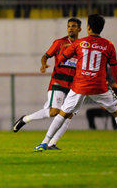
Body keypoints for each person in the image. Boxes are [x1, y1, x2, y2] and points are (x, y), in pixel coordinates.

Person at [34, 14, 117, 153]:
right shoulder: (109, 45)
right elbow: (115, 69)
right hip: (99, 87)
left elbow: (61, 58)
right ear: (101, 28)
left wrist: (64, 52)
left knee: (63, 113)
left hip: (79, 86)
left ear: (88, 27)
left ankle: (44, 143)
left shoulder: (79, 43)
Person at [13, 18, 82, 150]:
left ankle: (52, 143)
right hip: (57, 81)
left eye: (73, 26)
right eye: (68, 26)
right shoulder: (59, 42)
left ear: (79, 29)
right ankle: (25, 119)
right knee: (54, 112)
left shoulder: (81, 45)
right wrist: (43, 64)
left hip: (72, 84)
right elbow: (45, 56)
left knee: (69, 114)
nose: (70, 28)